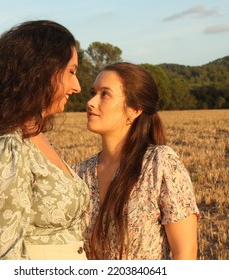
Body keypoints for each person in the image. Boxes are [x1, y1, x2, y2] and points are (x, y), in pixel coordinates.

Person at [0, 20, 89, 260]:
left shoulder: (36, 137)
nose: (77, 86)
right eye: (71, 72)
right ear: (41, 71)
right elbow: (4, 254)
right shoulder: (6, 149)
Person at [73, 62, 199, 260]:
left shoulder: (160, 164)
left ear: (134, 109)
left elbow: (185, 254)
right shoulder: (80, 174)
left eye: (104, 94)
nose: (91, 102)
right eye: (93, 92)